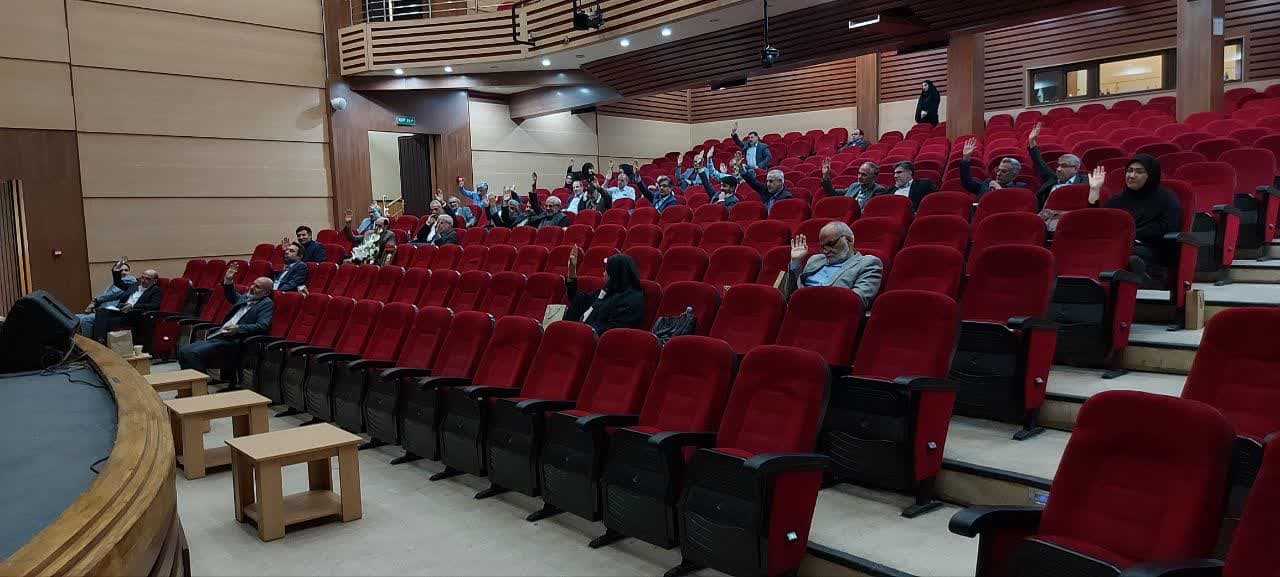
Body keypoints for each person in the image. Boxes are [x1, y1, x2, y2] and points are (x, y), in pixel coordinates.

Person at [1087, 155, 1181, 286]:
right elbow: (1098, 223)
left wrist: (1133, 235)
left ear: (1151, 175)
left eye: (1139, 172)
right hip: (1120, 246)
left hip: (1151, 248)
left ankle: (1145, 276)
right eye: (1129, 171)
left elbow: (1168, 227)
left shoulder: (1167, 198)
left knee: (1124, 253)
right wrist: (1094, 190)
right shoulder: (1118, 200)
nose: (1131, 175)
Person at [176, 267, 274, 375]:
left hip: (235, 341)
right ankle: (190, 384)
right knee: (183, 351)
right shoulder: (247, 297)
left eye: (257, 287)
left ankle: (199, 384)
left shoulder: (266, 304)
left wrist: (238, 328)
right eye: (253, 284)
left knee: (192, 354)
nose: (252, 288)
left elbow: (263, 326)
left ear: (266, 293)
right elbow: (232, 296)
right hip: (221, 336)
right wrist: (228, 280)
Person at [785, 221, 883, 306]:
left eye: (831, 244)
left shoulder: (868, 263)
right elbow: (791, 293)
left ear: (849, 240)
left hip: (831, 312)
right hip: (798, 309)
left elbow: (857, 300)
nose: (826, 251)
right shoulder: (815, 260)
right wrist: (795, 261)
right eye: (823, 247)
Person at [564, 245, 644, 335]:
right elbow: (578, 299)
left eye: (607, 270)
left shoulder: (629, 300)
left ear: (615, 273)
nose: (603, 273)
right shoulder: (609, 290)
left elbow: (612, 333)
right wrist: (571, 271)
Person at [91, 263, 162, 342]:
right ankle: (98, 339)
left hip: (134, 314)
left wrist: (133, 306)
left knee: (106, 321)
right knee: (101, 311)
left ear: (154, 281)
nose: (143, 280)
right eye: (142, 277)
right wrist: (115, 272)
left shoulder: (155, 290)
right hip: (121, 310)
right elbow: (119, 284)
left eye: (147, 279)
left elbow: (154, 305)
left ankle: (100, 341)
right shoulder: (136, 285)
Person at [1029, 123, 1087, 209]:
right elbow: (1039, 163)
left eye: (1063, 166)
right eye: (1058, 165)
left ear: (1075, 169)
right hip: (1047, 214)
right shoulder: (1053, 178)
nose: (1058, 169)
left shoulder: (1085, 182)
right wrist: (1032, 141)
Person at [959, 138, 1033, 198]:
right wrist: (966, 158)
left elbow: (1016, 204)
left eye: (1004, 171)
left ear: (1014, 175)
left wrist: (1000, 191)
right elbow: (967, 183)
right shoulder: (987, 183)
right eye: (998, 170)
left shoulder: (1020, 188)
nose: (998, 173)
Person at [79, 259, 136, 337]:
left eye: (126, 270)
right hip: (102, 311)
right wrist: (94, 305)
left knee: (85, 320)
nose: (123, 272)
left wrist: (94, 302)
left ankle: (88, 342)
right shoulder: (114, 284)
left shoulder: (130, 280)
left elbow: (110, 295)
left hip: (114, 313)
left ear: (129, 272)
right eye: (121, 270)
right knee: (76, 318)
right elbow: (105, 297)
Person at [822, 158, 887, 209]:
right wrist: (825, 175)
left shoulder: (879, 190)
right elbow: (832, 192)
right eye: (859, 173)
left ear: (874, 177)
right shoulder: (854, 185)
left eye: (864, 175)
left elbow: (868, 210)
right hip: (844, 214)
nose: (859, 177)